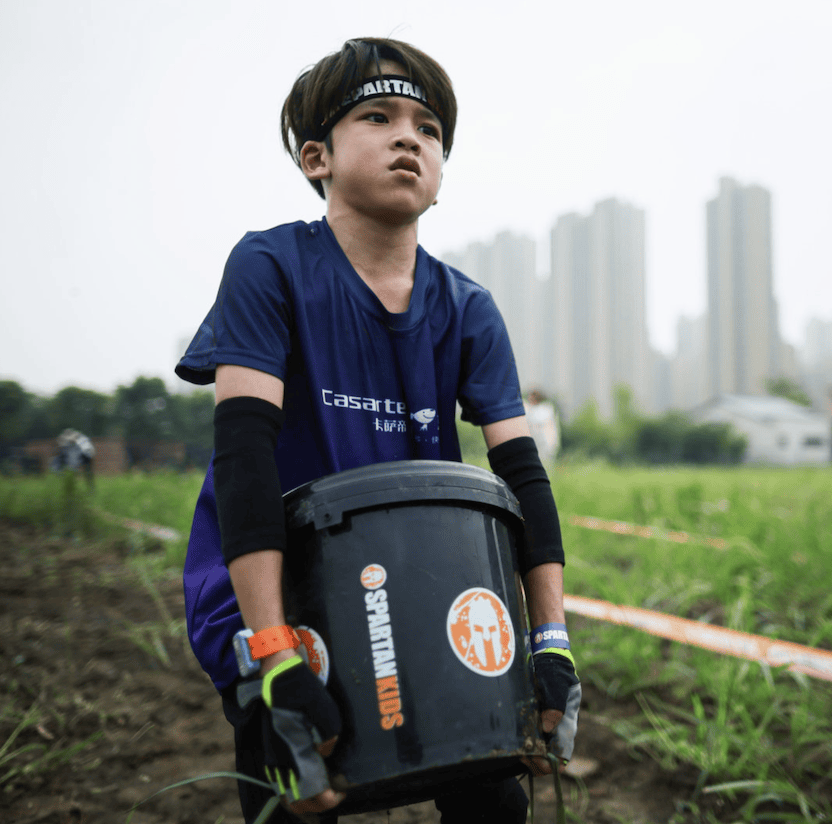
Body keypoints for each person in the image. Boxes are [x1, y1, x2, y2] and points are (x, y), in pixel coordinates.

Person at [174, 38, 579, 824]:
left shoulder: (469, 308)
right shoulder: (269, 266)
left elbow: (522, 478)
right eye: (379, 116)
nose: (409, 137)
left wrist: (551, 640)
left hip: (425, 590)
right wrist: (272, 652)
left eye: (429, 128)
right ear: (316, 157)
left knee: (493, 795)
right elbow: (245, 456)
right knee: (297, 793)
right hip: (280, 595)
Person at [524, 389, 560, 470]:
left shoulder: (546, 409)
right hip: (533, 442)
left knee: (546, 464)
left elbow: (538, 420)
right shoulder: (528, 408)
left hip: (545, 443)